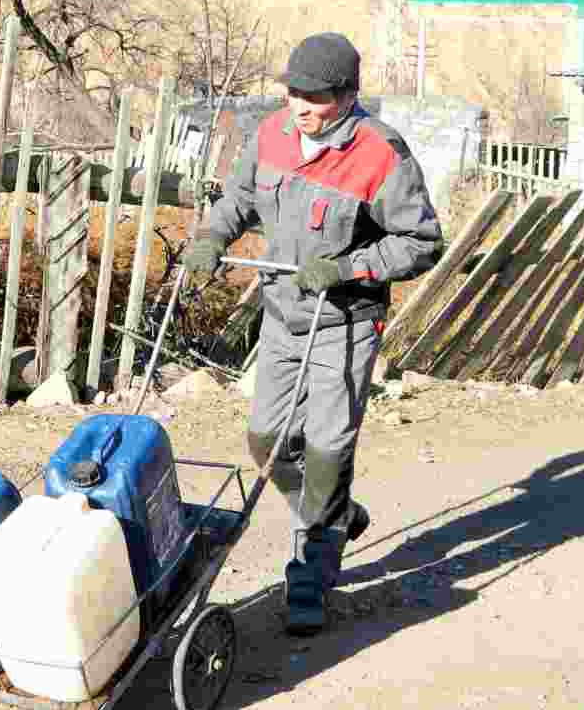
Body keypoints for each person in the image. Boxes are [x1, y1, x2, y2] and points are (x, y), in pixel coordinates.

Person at [183, 32, 444, 636]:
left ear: (348, 95)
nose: (301, 105)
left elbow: (421, 241)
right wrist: (210, 236)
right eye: (294, 91)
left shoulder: (382, 154)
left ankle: (312, 572)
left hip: (345, 322)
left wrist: (350, 267)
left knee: (327, 449)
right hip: (283, 314)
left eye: (316, 96)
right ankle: (337, 513)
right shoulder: (271, 134)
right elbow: (239, 199)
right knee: (266, 441)